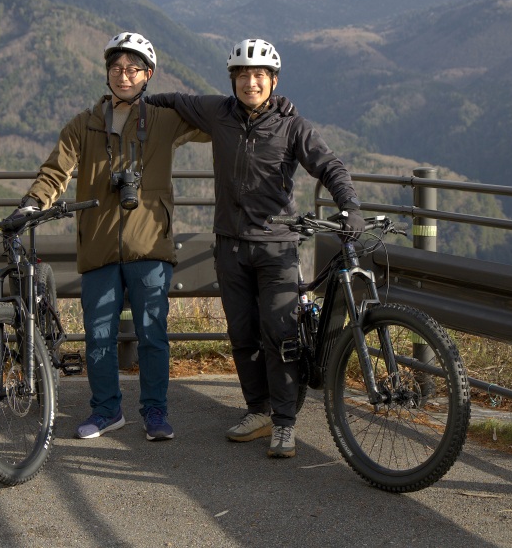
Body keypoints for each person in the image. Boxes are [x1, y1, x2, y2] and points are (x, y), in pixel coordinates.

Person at [145, 38, 364, 458]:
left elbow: (329, 165)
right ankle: (258, 411)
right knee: (242, 335)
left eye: (259, 75)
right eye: (243, 75)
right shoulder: (217, 113)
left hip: (277, 247)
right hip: (229, 247)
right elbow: (174, 100)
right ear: (233, 80)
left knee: (280, 335)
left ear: (273, 81)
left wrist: (350, 206)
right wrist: (136, 99)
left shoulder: (291, 125)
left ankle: (285, 423)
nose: (251, 82)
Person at [11, 31, 207, 442]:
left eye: (133, 69)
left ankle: (155, 412)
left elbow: (216, 123)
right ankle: (105, 411)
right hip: (99, 246)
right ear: (107, 73)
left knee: (153, 335)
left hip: (150, 245)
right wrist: (33, 203)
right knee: (98, 336)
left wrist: (259, 104)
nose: (124, 75)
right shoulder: (85, 124)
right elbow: (55, 172)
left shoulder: (163, 119)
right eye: (117, 68)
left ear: (147, 74)